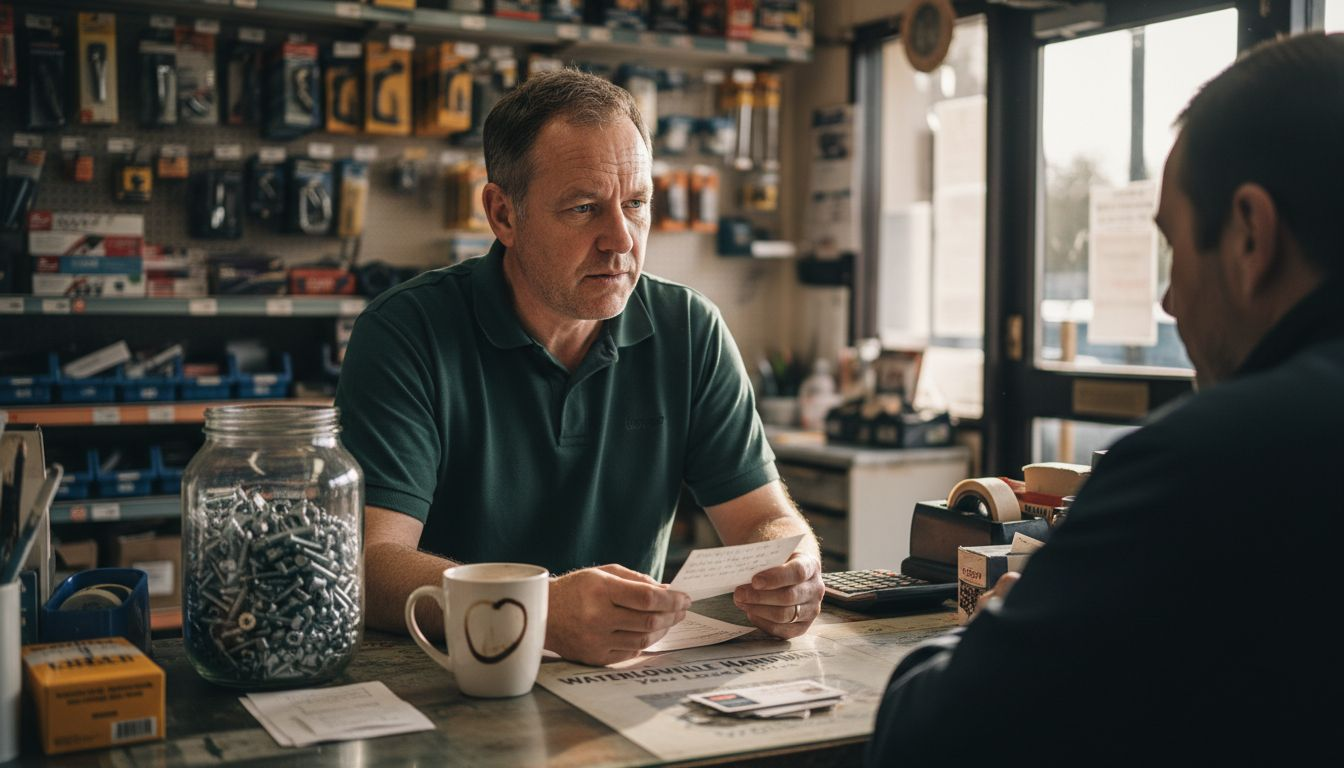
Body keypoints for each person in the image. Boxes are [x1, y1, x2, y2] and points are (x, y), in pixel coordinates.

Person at [869, 33, 1343, 763]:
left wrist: (989, 625)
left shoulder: (1204, 463)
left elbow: (928, 738)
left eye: (1175, 248)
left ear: (1251, 236)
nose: (1169, 299)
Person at [335, 69, 823, 667]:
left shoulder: (690, 329)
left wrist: (790, 566)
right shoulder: (405, 332)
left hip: (629, 677)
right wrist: (531, 611)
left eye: (637, 204)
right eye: (584, 207)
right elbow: (370, 561)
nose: (620, 239)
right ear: (503, 215)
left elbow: (762, 517)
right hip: (446, 675)